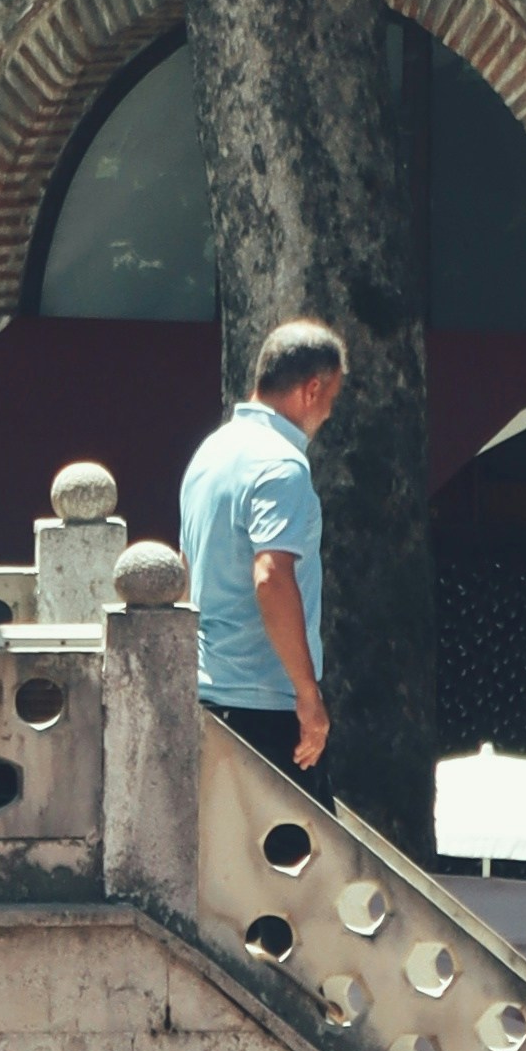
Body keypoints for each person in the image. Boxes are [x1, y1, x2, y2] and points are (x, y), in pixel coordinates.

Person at [179, 319, 347, 785]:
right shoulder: (281, 465)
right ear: (312, 390)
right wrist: (307, 694)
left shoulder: (211, 452)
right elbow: (271, 576)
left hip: (207, 691)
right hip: (265, 704)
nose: (329, 414)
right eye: (331, 400)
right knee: (297, 855)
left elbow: (188, 568)